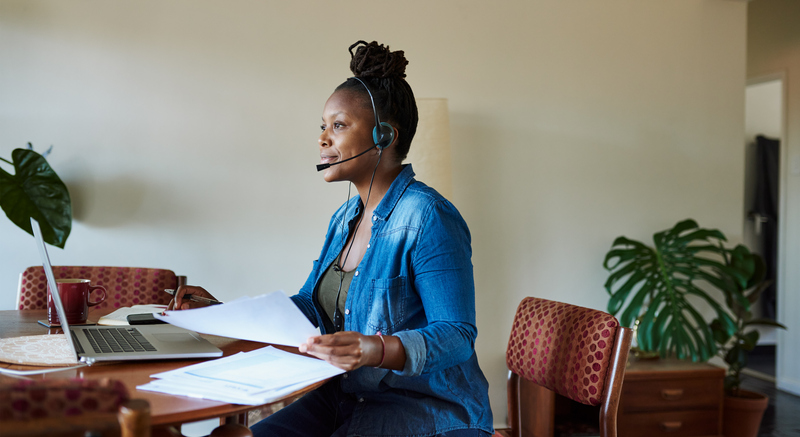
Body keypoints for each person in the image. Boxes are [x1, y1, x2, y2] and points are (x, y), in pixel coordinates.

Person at [169, 40, 494, 437]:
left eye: (338, 126)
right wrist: (224, 314)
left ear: (384, 136)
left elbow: (457, 335)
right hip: (344, 399)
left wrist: (374, 348)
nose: (323, 139)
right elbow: (309, 306)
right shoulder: (345, 218)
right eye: (323, 126)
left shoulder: (429, 217)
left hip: (423, 412)